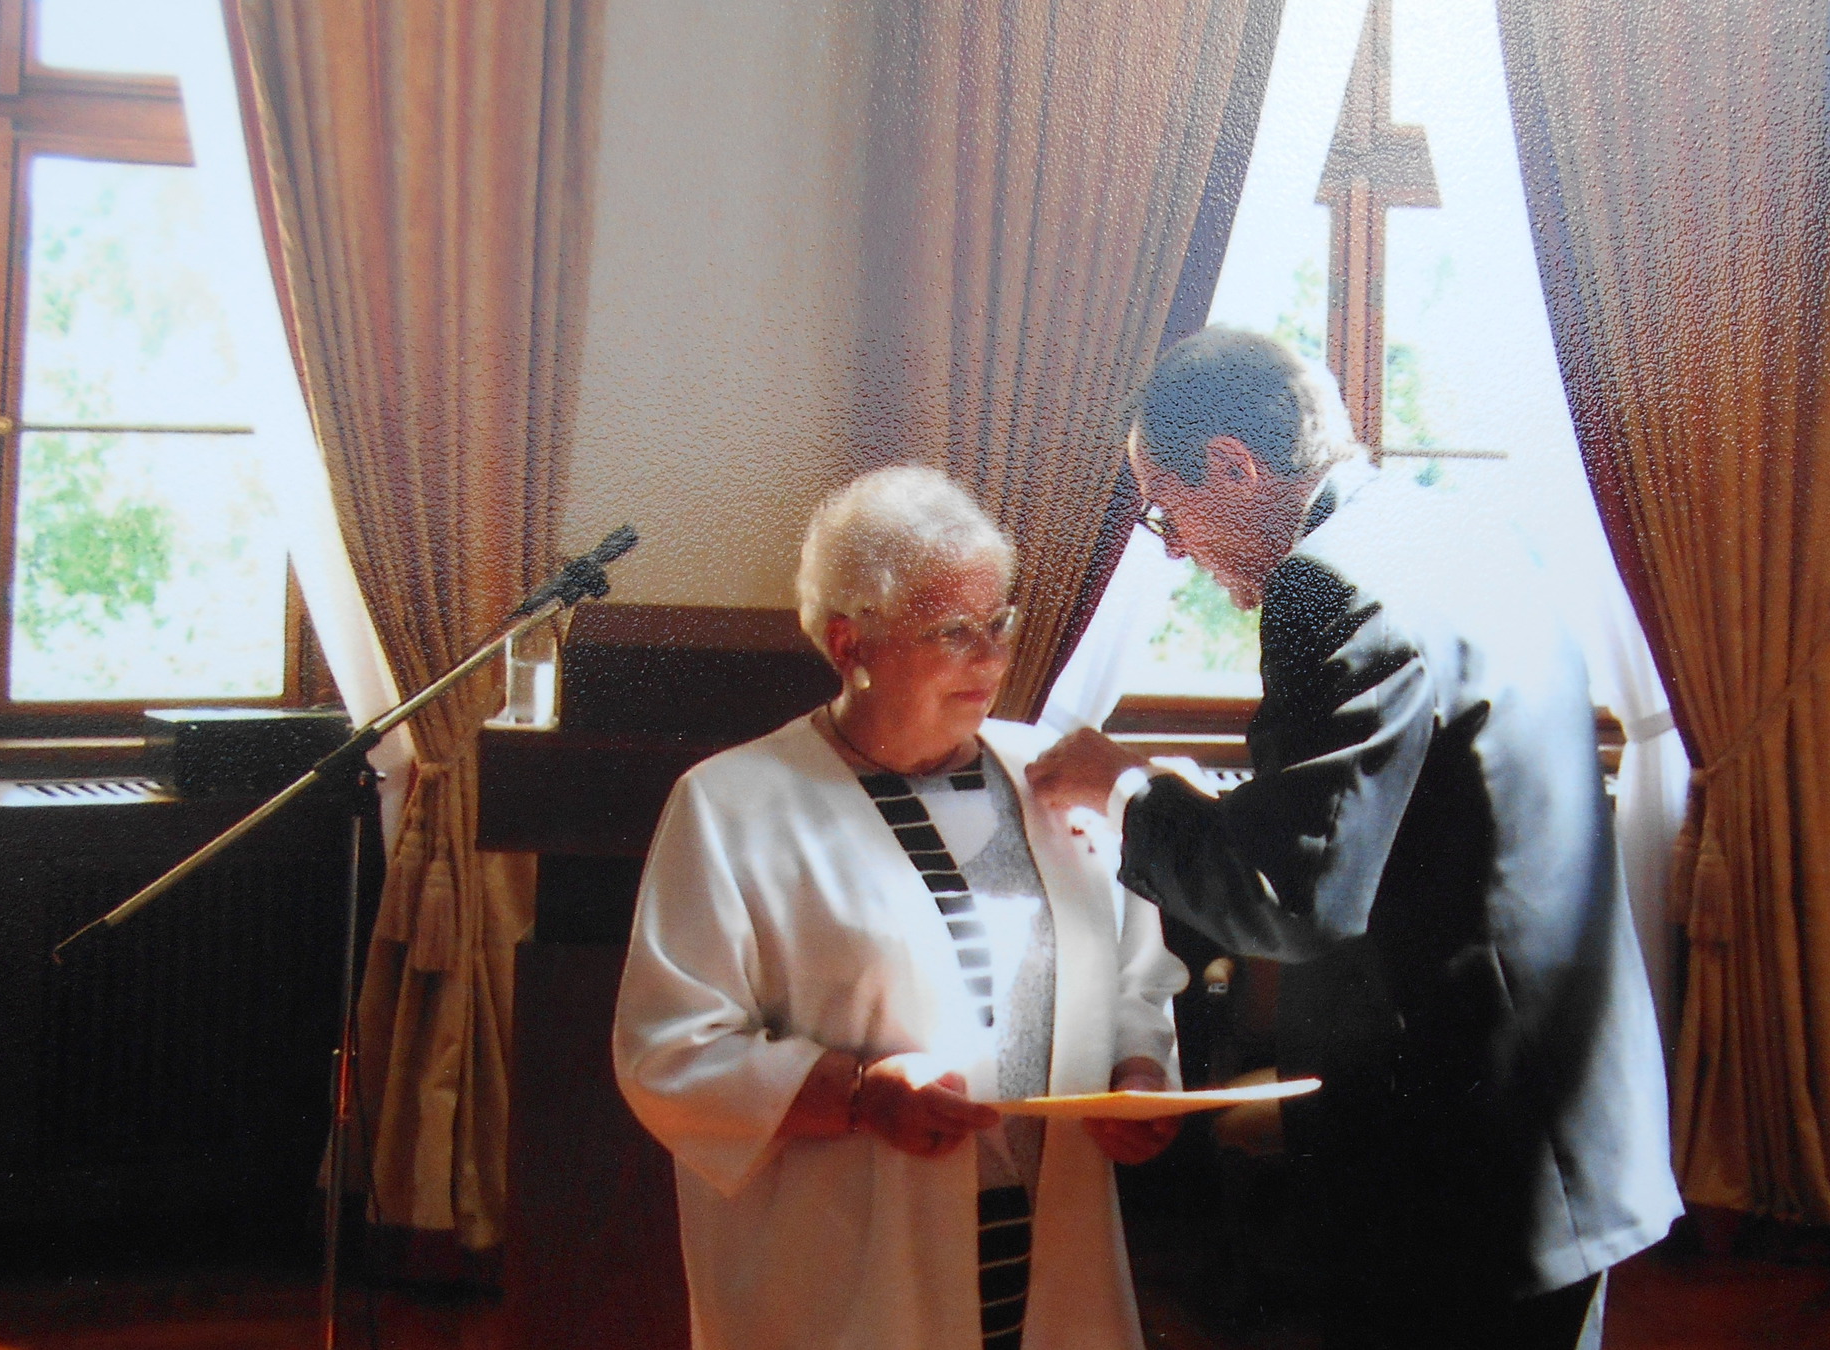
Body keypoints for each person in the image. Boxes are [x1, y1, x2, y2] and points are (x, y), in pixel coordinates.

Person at [1028, 329, 1682, 1350]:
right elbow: (1417, 811)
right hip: (1555, 1118)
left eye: (1163, 509)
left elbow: (1293, 901)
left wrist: (1125, 792)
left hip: (1451, 1163)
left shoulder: (1322, 584)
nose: (1173, 548)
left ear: (1232, 467)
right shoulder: (1460, 533)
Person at [614, 465, 1189, 1350]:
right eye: (952, 631)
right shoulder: (733, 805)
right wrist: (855, 1096)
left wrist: (1141, 1073)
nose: (991, 658)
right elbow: (669, 1050)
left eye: (998, 622)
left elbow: (1136, 976)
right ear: (850, 644)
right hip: (849, 1263)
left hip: (1051, 1242)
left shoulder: (1056, 775)